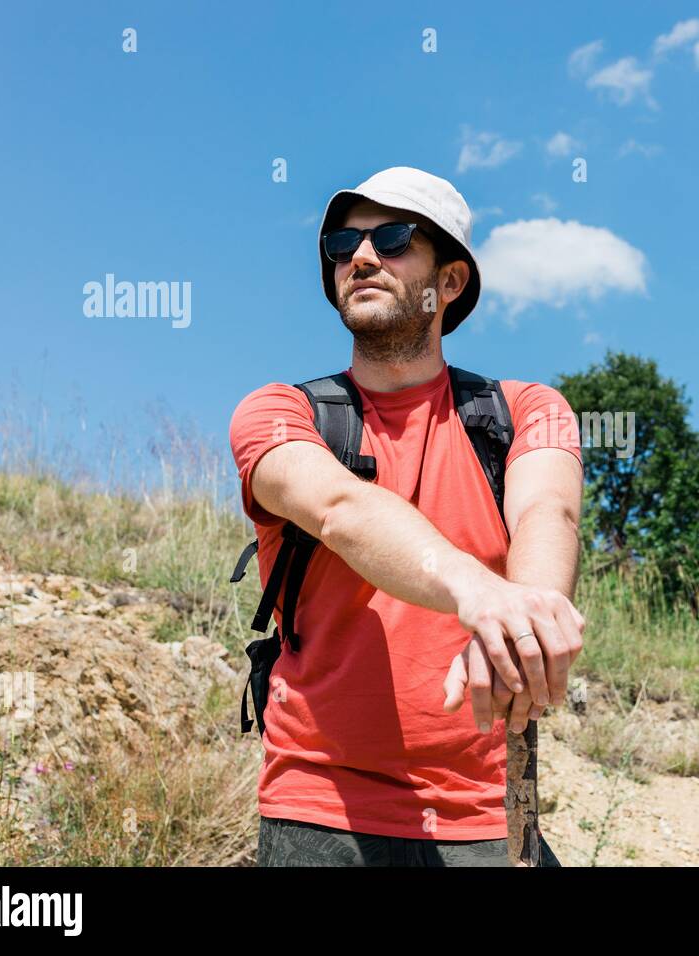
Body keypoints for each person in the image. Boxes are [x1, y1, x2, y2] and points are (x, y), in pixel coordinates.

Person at [228, 166, 585, 866]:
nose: (360, 257)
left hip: (491, 816)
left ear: (449, 283)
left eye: (392, 240)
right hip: (320, 814)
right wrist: (479, 591)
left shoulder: (527, 412)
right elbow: (339, 509)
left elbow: (550, 510)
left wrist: (526, 615)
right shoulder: (279, 412)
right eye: (342, 243)